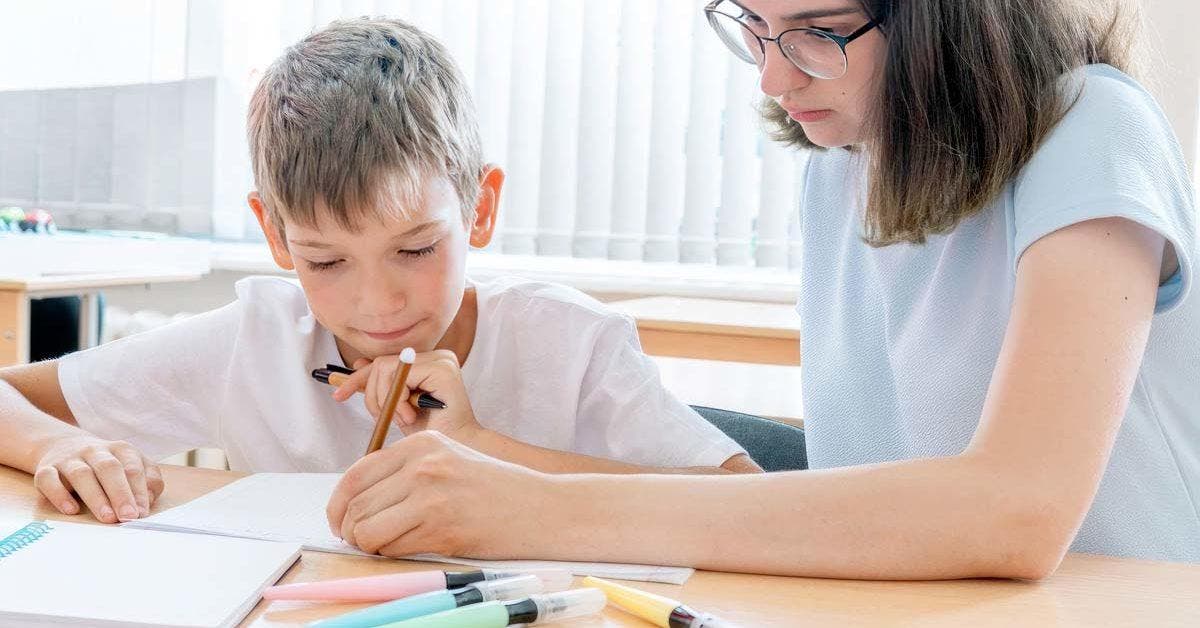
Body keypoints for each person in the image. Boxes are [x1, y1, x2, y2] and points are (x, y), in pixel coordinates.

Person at [326, 0, 1199, 578]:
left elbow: (1015, 511)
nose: (773, 78)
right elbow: (844, 513)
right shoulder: (837, 174)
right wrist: (491, 467)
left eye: (819, 30)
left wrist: (537, 512)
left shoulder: (1090, 128)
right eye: (756, 25)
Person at [0, 17, 758, 528]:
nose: (376, 302)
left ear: (480, 209)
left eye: (417, 249)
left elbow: (751, 506)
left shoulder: (573, 345)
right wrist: (55, 446)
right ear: (274, 234)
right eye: (325, 260)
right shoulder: (254, 341)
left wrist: (487, 451)